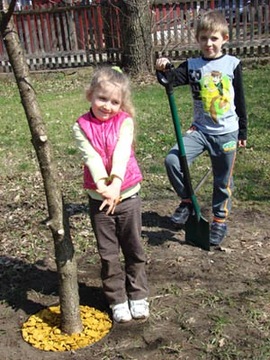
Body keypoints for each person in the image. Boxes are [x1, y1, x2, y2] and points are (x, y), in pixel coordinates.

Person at [156, 10, 247, 246]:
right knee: (173, 161)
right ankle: (187, 200)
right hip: (200, 131)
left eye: (214, 38)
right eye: (204, 38)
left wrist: (243, 131)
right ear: (198, 39)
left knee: (222, 180)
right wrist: (164, 67)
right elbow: (171, 79)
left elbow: (240, 102)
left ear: (224, 38)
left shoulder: (232, 64)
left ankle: (219, 219)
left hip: (226, 133)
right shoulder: (193, 65)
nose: (209, 43)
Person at [73, 66, 149, 323]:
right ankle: (117, 299)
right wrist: (103, 186)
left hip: (128, 196)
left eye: (115, 101)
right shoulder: (81, 126)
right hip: (99, 200)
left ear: (122, 103)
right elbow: (91, 157)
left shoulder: (124, 121)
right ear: (90, 95)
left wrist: (116, 184)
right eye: (102, 99)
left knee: (134, 248)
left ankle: (138, 294)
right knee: (108, 254)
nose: (107, 106)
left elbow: (121, 151)